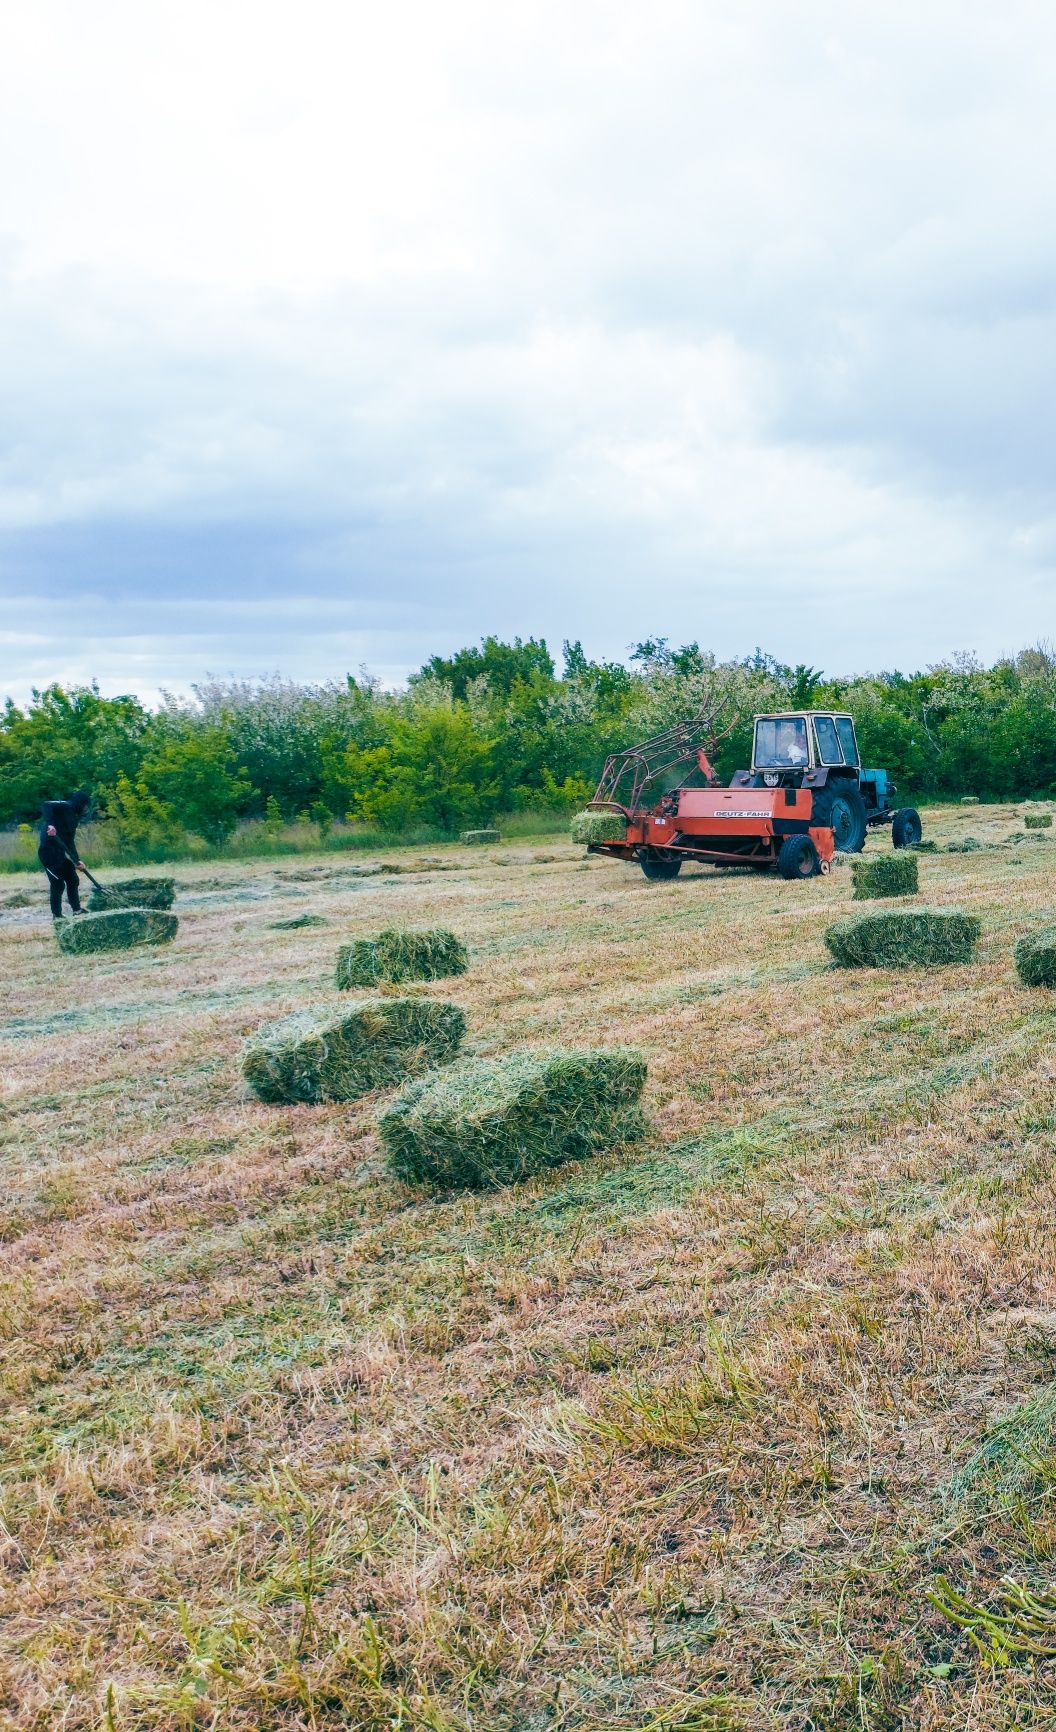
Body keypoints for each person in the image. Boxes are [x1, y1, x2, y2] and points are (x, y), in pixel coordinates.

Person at [38, 790, 91, 918]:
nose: (85, 808)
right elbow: (46, 805)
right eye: (85, 805)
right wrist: (50, 824)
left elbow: (69, 841)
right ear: (80, 803)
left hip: (60, 853)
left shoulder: (74, 818)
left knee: (73, 880)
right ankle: (57, 915)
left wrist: (77, 861)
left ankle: (77, 910)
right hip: (48, 853)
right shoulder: (65, 805)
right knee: (58, 884)